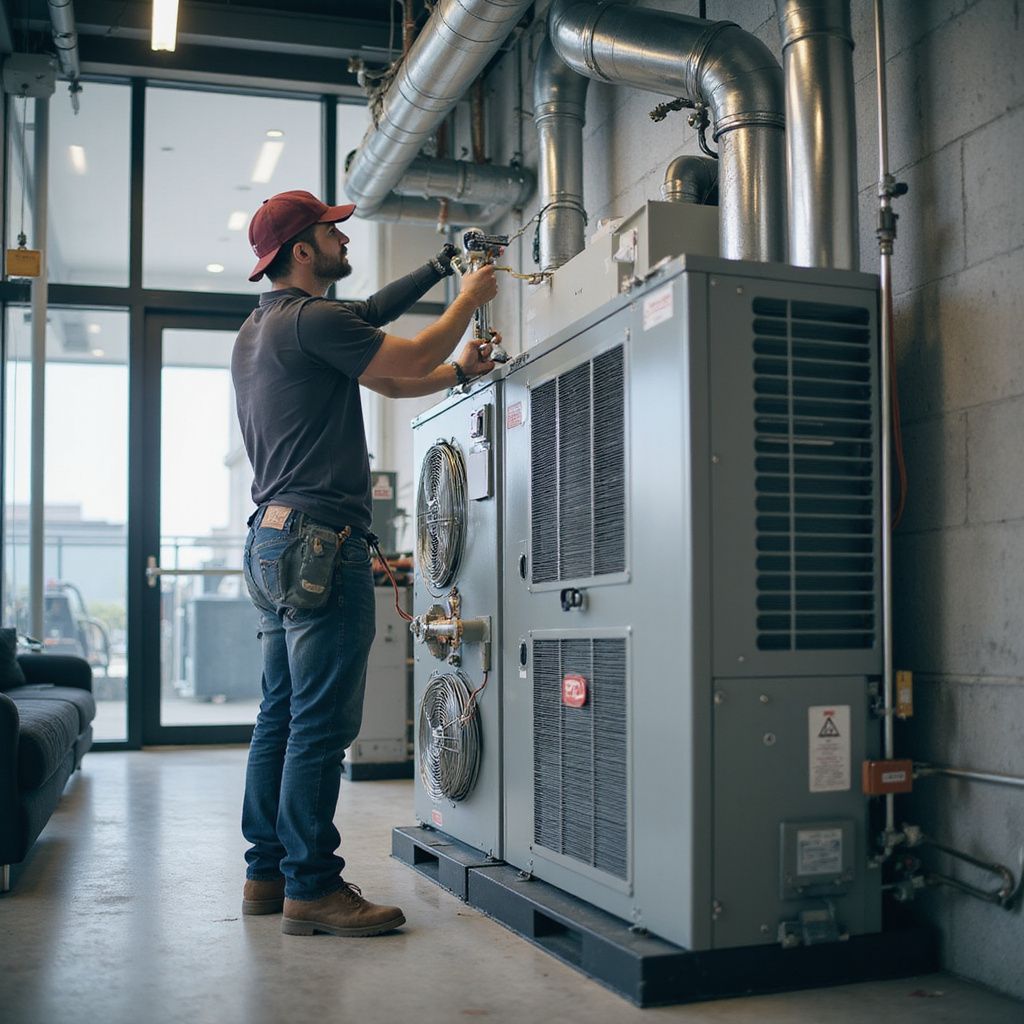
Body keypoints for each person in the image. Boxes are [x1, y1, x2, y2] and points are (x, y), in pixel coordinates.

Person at [231, 189, 498, 937]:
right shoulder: (313, 320)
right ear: (303, 250)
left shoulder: (264, 328)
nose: (345, 239)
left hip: (271, 539)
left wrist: (442, 284)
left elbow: (382, 361)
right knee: (319, 725)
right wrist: (468, 296)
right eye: (332, 231)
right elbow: (406, 354)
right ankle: (312, 888)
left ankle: (267, 874)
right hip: (323, 542)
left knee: (280, 717)